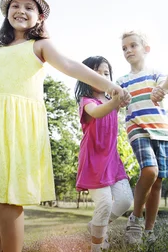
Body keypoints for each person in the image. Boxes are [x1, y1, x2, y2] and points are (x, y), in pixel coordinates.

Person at [0, 0, 127, 252]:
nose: (21, 10)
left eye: (29, 7)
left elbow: (70, 65)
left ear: (40, 18)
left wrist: (109, 86)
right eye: (15, 6)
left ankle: (8, 246)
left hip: (18, 126)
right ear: (7, 13)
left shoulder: (40, 45)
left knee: (7, 197)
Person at [75, 56, 133, 252]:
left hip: (112, 158)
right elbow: (98, 112)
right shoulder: (86, 101)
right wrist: (117, 99)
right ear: (85, 77)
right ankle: (96, 247)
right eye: (95, 73)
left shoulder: (112, 100)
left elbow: (122, 102)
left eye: (105, 74)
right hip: (93, 159)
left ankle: (97, 226)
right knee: (105, 203)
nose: (101, 77)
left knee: (125, 200)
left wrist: (123, 97)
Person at [117, 31, 168, 246]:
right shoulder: (122, 80)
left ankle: (148, 231)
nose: (128, 50)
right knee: (149, 170)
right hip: (137, 129)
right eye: (124, 48)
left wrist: (161, 90)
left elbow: (165, 84)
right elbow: (116, 98)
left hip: (162, 131)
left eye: (132, 46)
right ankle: (136, 219)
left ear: (146, 49)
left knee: (157, 182)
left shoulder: (155, 74)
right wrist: (119, 97)